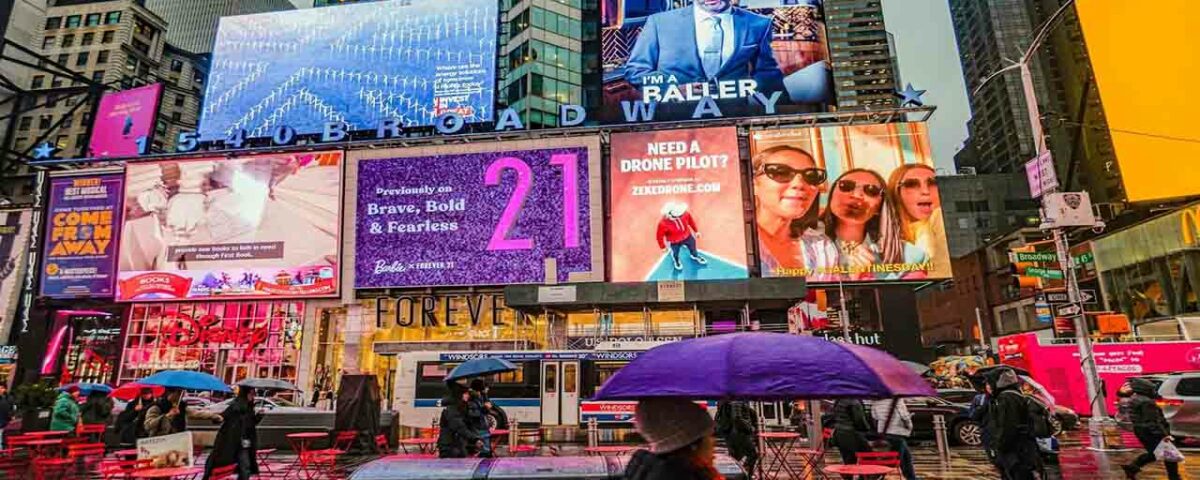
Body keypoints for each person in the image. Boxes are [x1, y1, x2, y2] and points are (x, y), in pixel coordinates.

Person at [624, 0, 784, 94]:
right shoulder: (659, 23)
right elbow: (636, 72)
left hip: (733, 115)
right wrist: (675, 89)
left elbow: (768, 75)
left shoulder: (758, 24)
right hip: (675, 118)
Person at [823, 169, 928, 281]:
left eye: (871, 190)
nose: (857, 195)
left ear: (880, 205)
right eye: (846, 186)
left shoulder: (908, 256)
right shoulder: (804, 244)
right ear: (831, 194)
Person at [751, 145, 837, 280]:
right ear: (754, 185)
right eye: (780, 172)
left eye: (811, 176)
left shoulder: (822, 247)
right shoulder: (729, 244)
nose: (799, 183)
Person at [624, 398, 720, 480]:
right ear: (693, 444)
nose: (713, 442)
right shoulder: (684, 475)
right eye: (709, 435)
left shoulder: (648, 470)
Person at [887, 164, 947, 277]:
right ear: (896, 193)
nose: (925, 191)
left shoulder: (940, 217)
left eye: (933, 183)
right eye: (911, 184)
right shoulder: (888, 239)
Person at [1122, 377, 1181, 480]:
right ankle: (1174, 477)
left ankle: (1132, 467)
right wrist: (1164, 435)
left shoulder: (1135, 398)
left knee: (1155, 453)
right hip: (1150, 432)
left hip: (1141, 430)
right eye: (1151, 389)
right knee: (1170, 454)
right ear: (1145, 389)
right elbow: (1152, 422)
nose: (1153, 391)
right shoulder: (1147, 402)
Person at [988, 368, 1040, 480]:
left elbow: (1008, 425)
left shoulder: (1006, 398)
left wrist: (999, 445)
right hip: (1022, 448)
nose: (988, 386)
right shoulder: (1014, 394)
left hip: (1016, 451)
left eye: (989, 382)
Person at [204, 387, 262, 480]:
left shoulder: (249, 408)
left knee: (245, 467)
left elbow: (250, 424)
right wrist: (217, 418)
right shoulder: (236, 406)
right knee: (243, 467)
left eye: (253, 394)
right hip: (234, 441)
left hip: (244, 442)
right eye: (251, 394)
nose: (253, 396)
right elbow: (223, 416)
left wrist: (259, 416)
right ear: (245, 394)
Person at [869, 399, 919, 480]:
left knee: (906, 457)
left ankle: (912, 478)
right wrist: (909, 426)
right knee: (893, 460)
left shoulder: (875, 401)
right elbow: (903, 415)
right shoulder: (897, 399)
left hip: (884, 431)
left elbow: (875, 416)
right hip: (896, 431)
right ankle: (875, 476)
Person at [144, 388, 222, 437]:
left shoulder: (181, 406)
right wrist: (167, 416)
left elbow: (196, 413)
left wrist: (214, 416)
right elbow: (148, 425)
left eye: (181, 393)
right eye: (178, 393)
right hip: (159, 440)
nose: (180, 396)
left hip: (178, 439)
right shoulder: (156, 407)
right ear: (170, 393)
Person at [656, 202, 707, 271]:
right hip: (674, 242)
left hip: (688, 236)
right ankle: (676, 260)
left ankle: (694, 255)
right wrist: (663, 247)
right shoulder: (662, 224)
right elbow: (659, 236)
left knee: (693, 247)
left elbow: (691, 221)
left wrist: (696, 231)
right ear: (668, 214)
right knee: (675, 252)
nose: (679, 217)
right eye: (676, 216)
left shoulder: (684, 214)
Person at [437, 384, 481, 459]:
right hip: (449, 446)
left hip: (458, 445)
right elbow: (459, 427)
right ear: (459, 395)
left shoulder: (462, 406)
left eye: (468, 394)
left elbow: (469, 424)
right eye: (465, 393)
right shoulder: (452, 408)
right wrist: (474, 439)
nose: (468, 395)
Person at [715, 400, 758, 475]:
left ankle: (737, 475)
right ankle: (745, 475)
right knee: (752, 454)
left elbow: (718, 416)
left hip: (729, 433)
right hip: (739, 433)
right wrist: (750, 428)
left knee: (735, 457)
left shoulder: (726, 399)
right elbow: (737, 419)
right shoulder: (736, 400)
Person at [830, 398, 870, 467]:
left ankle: (848, 476)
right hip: (850, 433)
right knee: (867, 455)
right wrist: (867, 429)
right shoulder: (854, 401)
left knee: (848, 460)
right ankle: (864, 476)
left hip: (839, 433)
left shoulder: (838, 400)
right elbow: (859, 420)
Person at [467, 379, 493, 458]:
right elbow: (473, 414)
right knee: (484, 451)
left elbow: (484, 411)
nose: (488, 389)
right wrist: (485, 408)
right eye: (486, 387)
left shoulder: (480, 397)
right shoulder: (472, 399)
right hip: (479, 428)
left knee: (487, 450)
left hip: (483, 426)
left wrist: (486, 406)